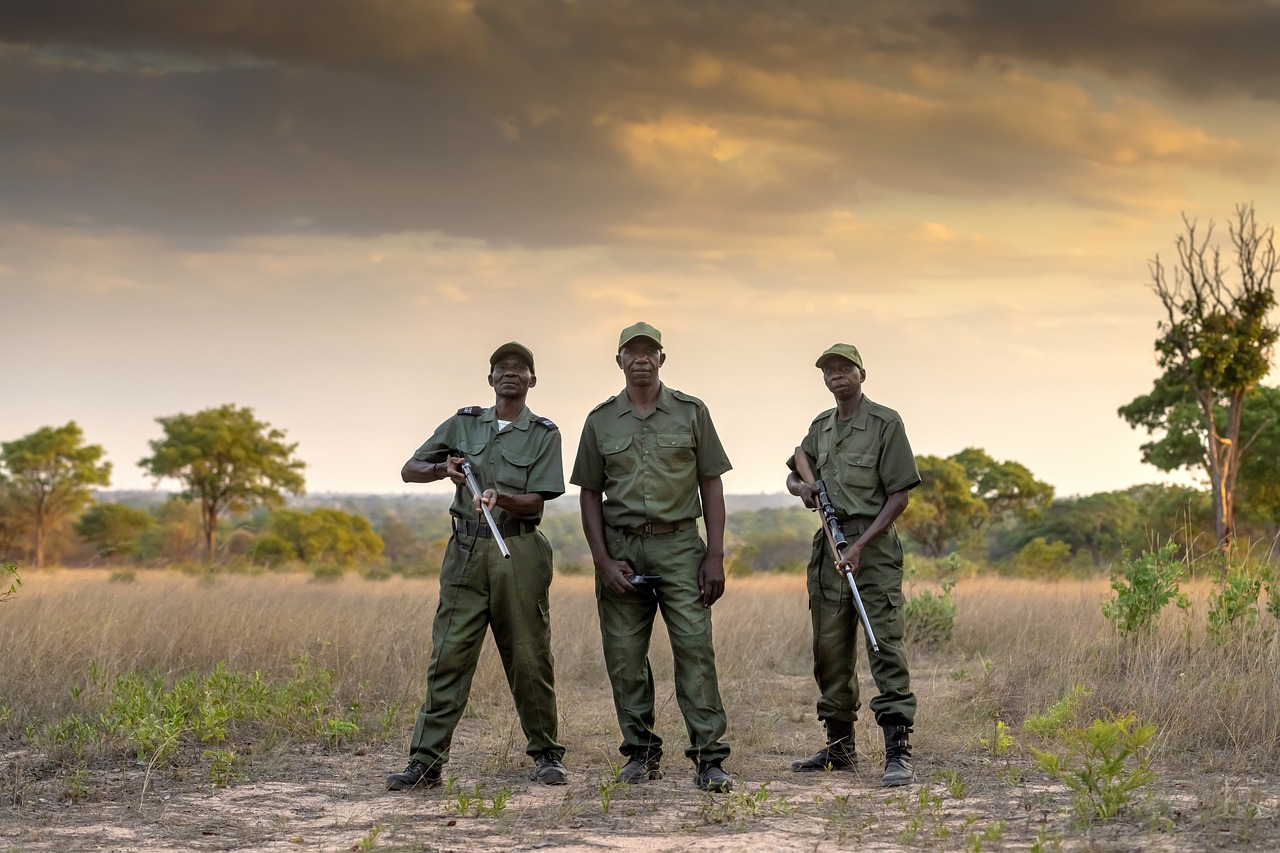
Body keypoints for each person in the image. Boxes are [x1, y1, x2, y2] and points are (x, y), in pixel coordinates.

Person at [387, 342, 568, 791]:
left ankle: (546, 755)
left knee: (529, 657)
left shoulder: (545, 433)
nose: (511, 374)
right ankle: (426, 764)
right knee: (449, 655)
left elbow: (537, 501)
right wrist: (442, 470)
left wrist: (500, 496)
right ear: (490, 379)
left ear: (532, 380)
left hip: (518, 550)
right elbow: (410, 469)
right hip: (465, 550)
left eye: (520, 369)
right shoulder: (463, 422)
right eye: (502, 369)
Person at [570, 321, 735, 793]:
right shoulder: (600, 421)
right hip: (622, 548)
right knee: (624, 655)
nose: (641, 358)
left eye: (650, 351)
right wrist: (602, 560)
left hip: (681, 546)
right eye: (631, 351)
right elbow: (589, 494)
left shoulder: (691, 412)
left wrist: (715, 555)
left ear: (662, 358)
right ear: (618, 360)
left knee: (694, 650)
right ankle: (640, 754)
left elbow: (711, 484)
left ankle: (710, 758)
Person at [785, 343, 921, 787]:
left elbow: (899, 495)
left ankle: (897, 749)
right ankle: (839, 746)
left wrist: (860, 545)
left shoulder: (886, 422)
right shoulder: (820, 427)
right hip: (829, 544)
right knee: (830, 649)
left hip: (872, 548)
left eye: (845, 368)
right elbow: (793, 471)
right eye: (829, 370)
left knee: (883, 644)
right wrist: (801, 489)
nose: (836, 375)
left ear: (862, 373)